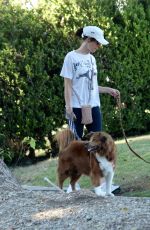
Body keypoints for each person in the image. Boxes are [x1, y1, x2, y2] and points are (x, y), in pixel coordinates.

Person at [60, 25, 120, 193]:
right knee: (74, 146)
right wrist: (69, 107)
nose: (98, 47)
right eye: (97, 43)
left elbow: (92, 86)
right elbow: (68, 86)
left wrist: (108, 90)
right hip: (76, 109)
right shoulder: (70, 58)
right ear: (88, 40)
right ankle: (73, 185)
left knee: (99, 146)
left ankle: (100, 185)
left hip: (93, 106)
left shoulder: (92, 60)